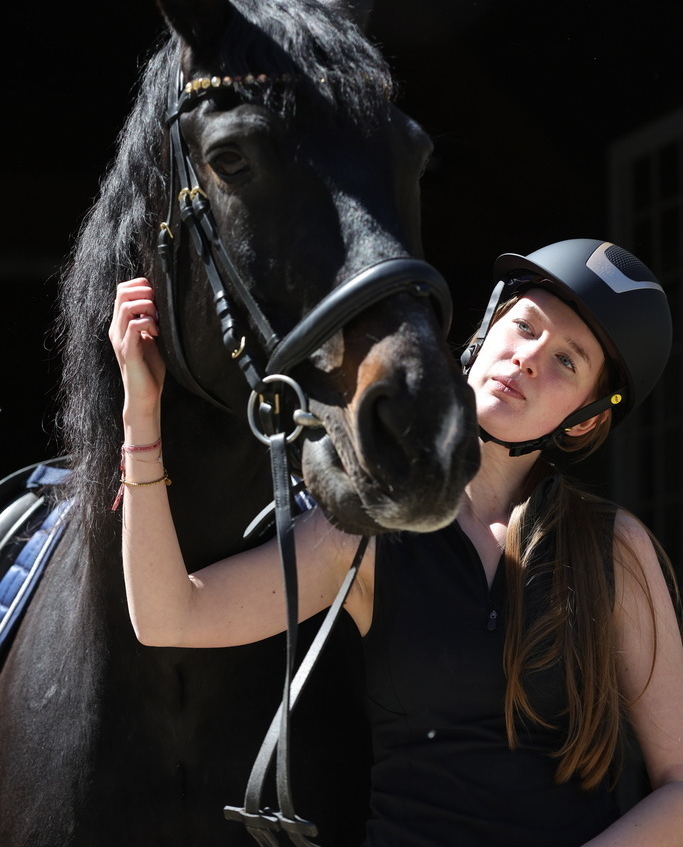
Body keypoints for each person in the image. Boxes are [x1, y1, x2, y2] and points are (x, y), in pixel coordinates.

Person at [109, 237, 683, 847]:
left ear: (588, 417)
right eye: (524, 326)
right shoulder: (367, 529)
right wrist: (140, 414)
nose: (529, 358)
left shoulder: (615, 550)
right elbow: (171, 613)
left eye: (568, 360)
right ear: (486, 329)